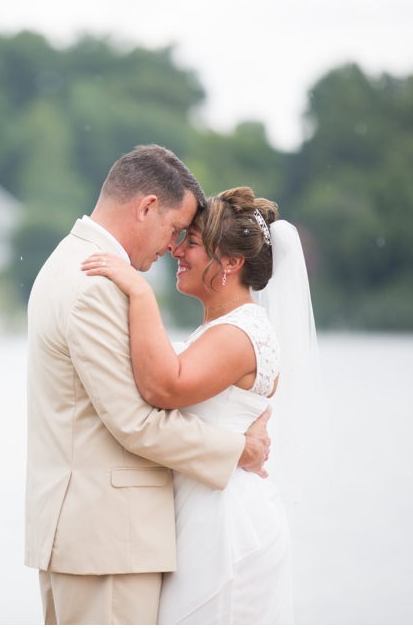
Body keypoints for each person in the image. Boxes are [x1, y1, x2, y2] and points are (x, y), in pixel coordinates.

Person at [24, 145, 272, 625]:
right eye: (175, 229)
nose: (173, 246)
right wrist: (239, 449)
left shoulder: (68, 261)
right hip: (108, 541)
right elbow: (135, 423)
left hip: (86, 534)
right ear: (146, 208)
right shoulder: (96, 285)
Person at [82, 185, 314, 623]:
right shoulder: (224, 328)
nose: (176, 250)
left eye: (190, 242)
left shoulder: (242, 331)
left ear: (230, 262)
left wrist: (140, 291)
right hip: (202, 519)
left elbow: (163, 388)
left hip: (227, 530)